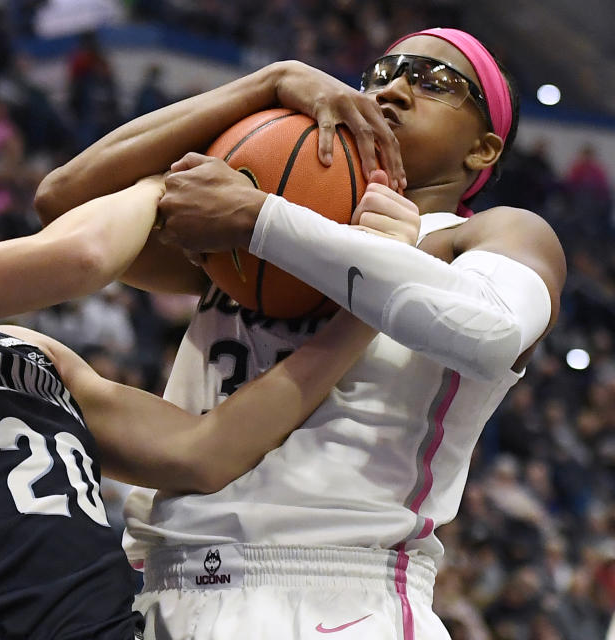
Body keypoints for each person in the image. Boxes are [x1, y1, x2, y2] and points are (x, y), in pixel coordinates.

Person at [0, 82, 417, 639]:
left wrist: (364, 302)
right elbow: (81, 258)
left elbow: (204, 451)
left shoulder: (29, 349)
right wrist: (174, 180)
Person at [34, 27, 566, 640]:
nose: (393, 89)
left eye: (434, 81)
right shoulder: (254, 232)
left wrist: (259, 218)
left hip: (337, 590)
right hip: (163, 588)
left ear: (483, 149)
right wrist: (266, 82)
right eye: (383, 72)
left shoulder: (493, 233)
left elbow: (491, 330)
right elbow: (66, 205)